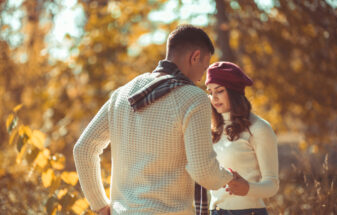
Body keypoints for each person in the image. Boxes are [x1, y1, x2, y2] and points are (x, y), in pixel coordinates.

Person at [73, 25, 248, 215]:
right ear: (195, 57)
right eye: (204, 67)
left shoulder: (122, 94)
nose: (201, 78)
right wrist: (229, 177)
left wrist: (100, 205)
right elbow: (203, 172)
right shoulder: (193, 98)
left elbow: (83, 149)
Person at [205, 62, 279, 215]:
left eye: (219, 91)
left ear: (234, 91)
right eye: (210, 92)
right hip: (215, 211)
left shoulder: (259, 128)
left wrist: (247, 188)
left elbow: (272, 184)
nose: (214, 98)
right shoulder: (212, 128)